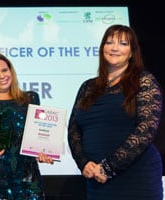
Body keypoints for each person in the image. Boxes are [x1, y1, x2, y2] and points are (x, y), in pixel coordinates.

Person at [67, 24, 163, 200]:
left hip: (136, 179)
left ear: (132, 52)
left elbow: (146, 129)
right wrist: (84, 163)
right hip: (96, 180)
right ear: (103, 47)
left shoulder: (144, 81)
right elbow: (73, 129)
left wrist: (109, 167)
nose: (115, 48)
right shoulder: (87, 87)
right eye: (109, 42)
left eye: (123, 43)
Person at [0, 52, 54, 199]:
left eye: (5, 70)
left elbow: (37, 138)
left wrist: (44, 151)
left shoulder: (30, 98)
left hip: (26, 181)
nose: (2, 76)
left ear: (11, 71)